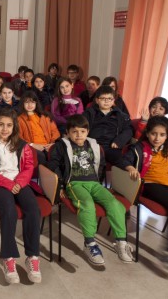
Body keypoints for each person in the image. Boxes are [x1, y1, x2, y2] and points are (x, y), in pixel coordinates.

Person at [47, 114, 134, 266]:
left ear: (87, 132)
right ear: (67, 132)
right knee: (87, 204)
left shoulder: (94, 145)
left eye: (82, 131)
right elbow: (53, 165)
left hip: (94, 183)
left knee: (114, 203)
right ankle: (90, 243)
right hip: (74, 183)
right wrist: (59, 185)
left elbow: (101, 165)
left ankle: (121, 242)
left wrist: (99, 181)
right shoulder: (61, 146)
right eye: (74, 132)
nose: (79, 135)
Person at [119, 116, 168, 276]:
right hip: (148, 184)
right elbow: (124, 160)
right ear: (147, 133)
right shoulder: (139, 147)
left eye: (162, 135)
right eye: (154, 134)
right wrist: (130, 168)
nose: (157, 138)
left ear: (167, 136)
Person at [0, 108, 43, 284]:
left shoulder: (22, 144)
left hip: (20, 182)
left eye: (8, 125)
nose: (4, 129)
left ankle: (32, 256)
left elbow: (28, 166)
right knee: (9, 210)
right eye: (1, 125)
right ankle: (8, 257)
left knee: (33, 209)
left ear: (14, 127)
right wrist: (7, 183)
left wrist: (19, 182)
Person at [83, 85, 133, 165]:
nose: (106, 101)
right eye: (103, 98)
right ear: (97, 100)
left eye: (109, 98)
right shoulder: (89, 113)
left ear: (113, 101)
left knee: (122, 161)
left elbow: (128, 130)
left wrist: (120, 140)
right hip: (92, 145)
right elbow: (80, 126)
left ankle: (130, 170)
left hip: (111, 145)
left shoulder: (120, 115)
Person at [17, 91, 60, 165]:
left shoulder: (44, 116)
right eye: (27, 102)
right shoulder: (19, 119)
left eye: (32, 102)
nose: (30, 105)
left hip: (47, 146)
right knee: (41, 157)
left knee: (57, 155)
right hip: (32, 147)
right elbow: (18, 138)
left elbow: (55, 131)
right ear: (22, 104)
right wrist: (32, 145)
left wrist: (51, 144)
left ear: (36, 103)